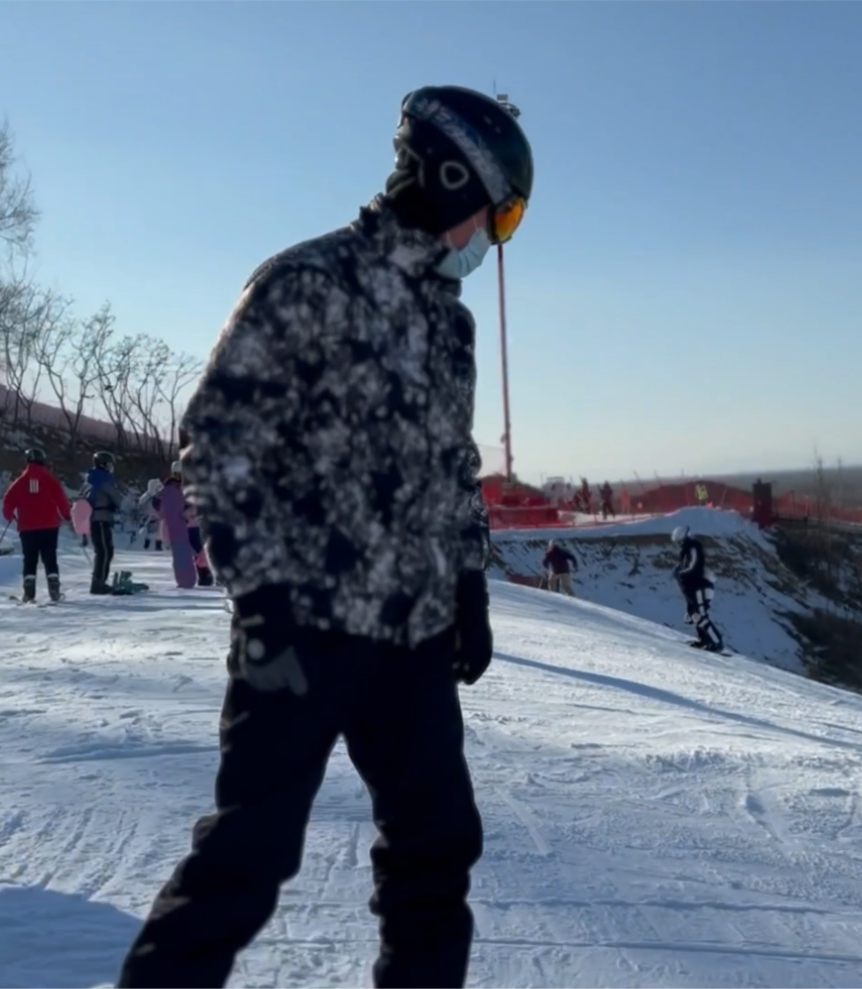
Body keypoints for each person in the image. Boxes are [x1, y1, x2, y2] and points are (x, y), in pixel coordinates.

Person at [117, 83, 532, 989]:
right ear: (452, 182)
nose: (492, 242)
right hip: (303, 629)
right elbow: (215, 446)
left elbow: (451, 467)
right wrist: (263, 600)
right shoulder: (305, 283)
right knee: (248, 858)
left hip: (414, 638)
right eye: (496, 217)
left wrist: (468, 583)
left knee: (436, 854)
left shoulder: (447, 325)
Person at [1, 447, 72, 602]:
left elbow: (8, 500)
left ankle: (29, 593)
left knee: (30, 559)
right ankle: (54, 590)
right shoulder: (51, 480)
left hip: (27, 527)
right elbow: (62, 500)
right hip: (49, 526)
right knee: (50, 558)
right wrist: (67, 515)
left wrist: (9, 515)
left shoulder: (20, 482)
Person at [672, 524, 725, 653]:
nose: (679, 544)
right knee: (695, 615)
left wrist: (681, 573)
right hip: (694, 588)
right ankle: (704, 640)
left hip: (700, 587)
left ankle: (716, 642)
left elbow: (693, 566)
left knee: (701, 615)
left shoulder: (693, 547)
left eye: (679, 541)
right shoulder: (686, 550)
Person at [78, 452, 120, 595]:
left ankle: (99, 581)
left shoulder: (89, 478)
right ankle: (98, 583)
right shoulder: (104, 479)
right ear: (104, 464)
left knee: (102, 550)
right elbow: (116, 497)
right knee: (105, 551)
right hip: (101, 518)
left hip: (92, 519)